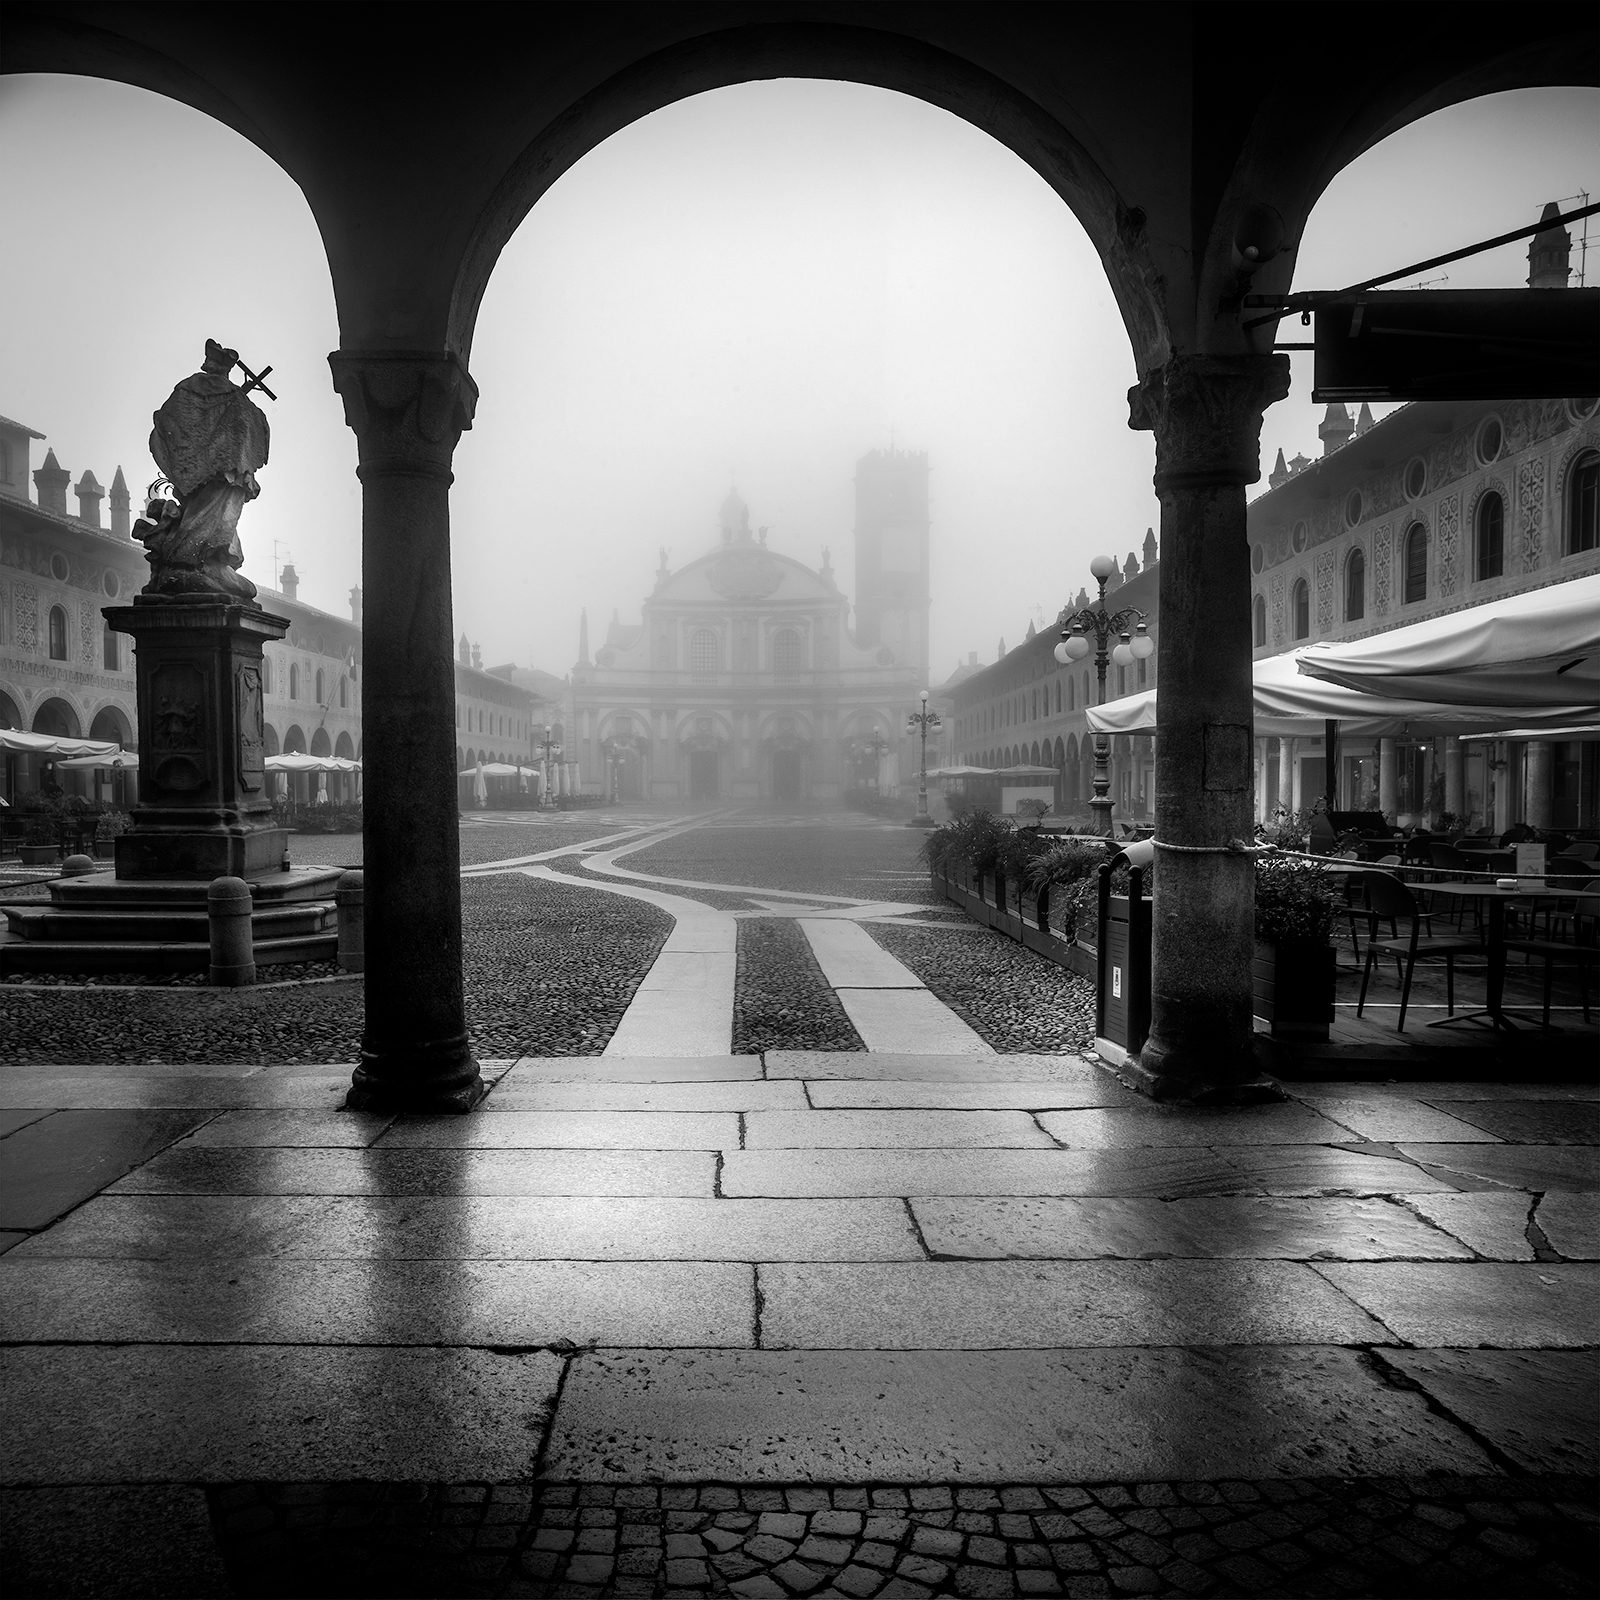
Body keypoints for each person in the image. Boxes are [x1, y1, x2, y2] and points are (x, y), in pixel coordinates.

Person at [135, 339, 269, 601]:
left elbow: (165, 421)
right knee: (207, 516)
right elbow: (250, 430)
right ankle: (187, 562)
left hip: (210, 473)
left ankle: (205, 562)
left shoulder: (194, 392)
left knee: (211, 516)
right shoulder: (227, 397)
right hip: (218, 474)